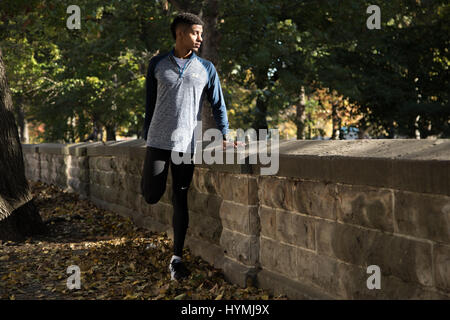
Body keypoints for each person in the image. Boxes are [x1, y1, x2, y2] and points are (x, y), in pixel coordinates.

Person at [140, 12, 237, 281]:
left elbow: (218, 104)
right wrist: (146, 133)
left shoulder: (206, 68)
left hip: (186, 145)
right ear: (180, 33)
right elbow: (150, 101)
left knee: (180, 199)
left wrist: (225, 134)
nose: (200, 38)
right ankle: (149, 183)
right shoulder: (157, 64)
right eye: (195, 33)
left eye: (201, 34)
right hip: (158, 142)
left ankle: (177, 259)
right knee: (151, 195)